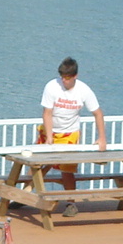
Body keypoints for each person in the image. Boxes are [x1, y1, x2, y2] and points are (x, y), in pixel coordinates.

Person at [39, 57, 107, 191]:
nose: (64, 80)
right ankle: (26, 192)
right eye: (62, 77)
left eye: (67, 78)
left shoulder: (84, 90)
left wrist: (102, 138)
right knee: (36, 164)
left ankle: (70, 200)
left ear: (75, 76)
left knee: (67, 169)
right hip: (50, 130)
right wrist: (49, 136)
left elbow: (98, 113)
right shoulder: (51, 86)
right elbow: (47, 113)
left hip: (70, 133)